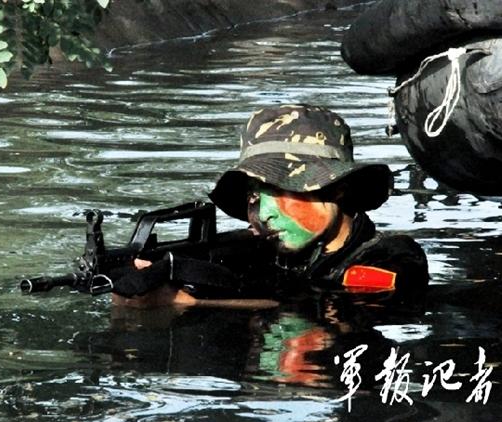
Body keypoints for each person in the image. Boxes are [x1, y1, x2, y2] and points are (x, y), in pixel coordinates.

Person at [112, 104, 428, 307]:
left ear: (339, 189)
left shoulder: (393, 258)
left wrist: (189, 301)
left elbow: (321, 306)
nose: (264, 213)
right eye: (254, 195)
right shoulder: (267, 254)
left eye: (280, 190)